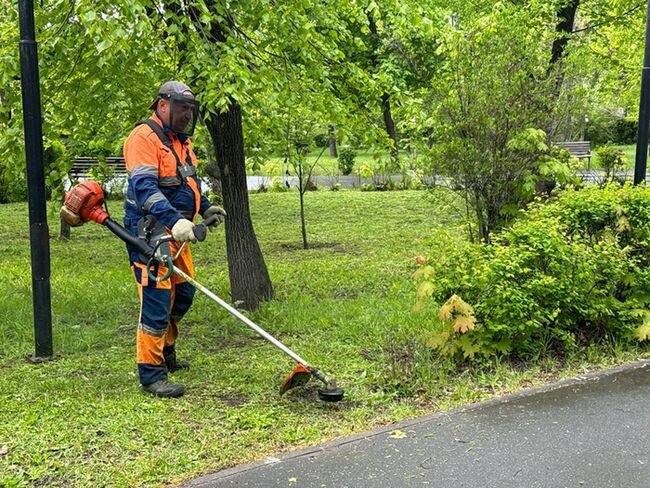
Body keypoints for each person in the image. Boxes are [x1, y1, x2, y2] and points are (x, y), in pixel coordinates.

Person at [122, 80, 226, 398]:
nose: (185, 116)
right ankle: (151, 374)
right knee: (156, 303)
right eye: (181, 109)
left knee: (182, 297)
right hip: (151, 235)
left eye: (189, 111)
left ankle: (166, 350)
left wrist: (205, 208)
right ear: (162, 105)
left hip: (179, 234)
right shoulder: (143, 138)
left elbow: (187, 182)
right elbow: (145, 189)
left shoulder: (181, 142)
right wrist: (176, 221)